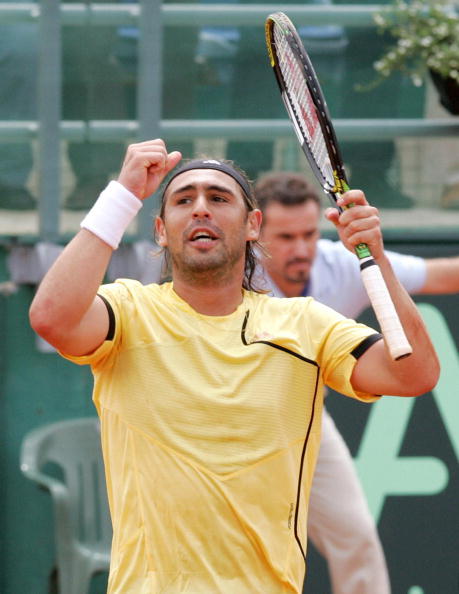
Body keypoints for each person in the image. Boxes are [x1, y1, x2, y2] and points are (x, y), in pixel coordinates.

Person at [29, 139, 439, 594]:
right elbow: (52, 318)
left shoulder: (305, 323)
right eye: (184, 200)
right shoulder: (126, 311)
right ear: (162, 230)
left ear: (252, 225)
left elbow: (414, 374)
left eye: (219, 198)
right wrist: (121, 195)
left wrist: (375, 257)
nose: (201, 208)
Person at [254, 170, 459, 594]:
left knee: (357, 540)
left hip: (305, 421)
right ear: (254, 233)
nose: (301, 249)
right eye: (285, 237)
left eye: (309, 234)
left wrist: (377, 255)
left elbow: (444, 274)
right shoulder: (229, 273)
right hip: (228, 428)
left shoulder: (343, 263)